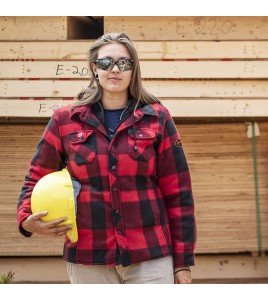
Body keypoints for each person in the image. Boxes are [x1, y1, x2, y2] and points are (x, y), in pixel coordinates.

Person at [17, 32, 196, 284]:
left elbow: (178, 192)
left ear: (134, 69)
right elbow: (36, 176)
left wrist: (183, 262)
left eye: (124, 63)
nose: (115, 69)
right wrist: (25, 219)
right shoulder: (64, 120)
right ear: (94, 68)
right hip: (89, 258)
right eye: (105, 63)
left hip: (150, 256)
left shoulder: (158, 118)